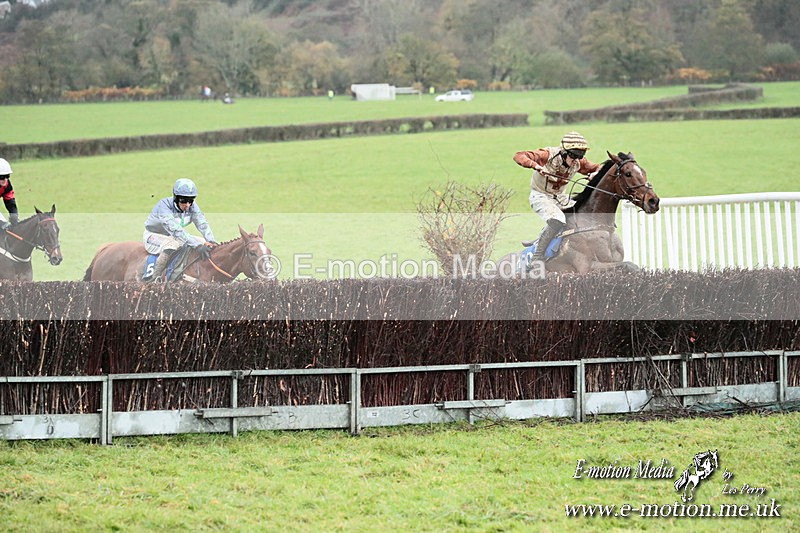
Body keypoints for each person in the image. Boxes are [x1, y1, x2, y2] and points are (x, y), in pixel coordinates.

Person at [513, 131, 600, 267]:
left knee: (585, 214)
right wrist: (535, 165)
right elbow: (519, 156)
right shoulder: (547, 155)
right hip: (540, 196)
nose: (575, 160)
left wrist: (595, 173)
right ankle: (537, 256)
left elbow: (599, 167)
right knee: (558, 219)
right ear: (564, 151)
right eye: (573, 155)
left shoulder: (578, 162)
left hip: (561, 197)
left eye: (580, 156)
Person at [142, 178, 217, 281]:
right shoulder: (163, 206)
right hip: (153, 236)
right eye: (183, 200)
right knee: (172, 244)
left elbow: (202, 223)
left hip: (173, 236)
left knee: (203, 242)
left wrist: (210, 241)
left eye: (191, 200)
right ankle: (154, 280)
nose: (187, 205)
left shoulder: (192, 207)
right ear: (175, 197)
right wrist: (197, 245)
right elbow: (176, 231)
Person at [0, 157, 20, 230]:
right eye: (2, 177)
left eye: (7, 176)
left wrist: (14, 216)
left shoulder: (7, 185)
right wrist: (2, 223)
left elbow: (10, 203)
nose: (5, 180)